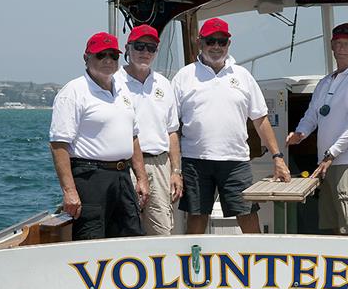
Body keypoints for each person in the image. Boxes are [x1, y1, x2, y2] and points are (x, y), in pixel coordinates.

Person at [172, 17, 290, 234]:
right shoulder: (183, 77)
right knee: (196, 219)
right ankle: (193, 266)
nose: (216, 46)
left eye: (222, 41)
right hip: (195, 162)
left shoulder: (243, 76)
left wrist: (278, 158)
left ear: (228, 44)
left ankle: (257, 263)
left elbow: (261, 119)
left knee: (248, 216)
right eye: (210, 41)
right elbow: (171, 127)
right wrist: (175, 169)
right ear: (200, 42)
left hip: (236, 161)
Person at [49, 32, 149, 240]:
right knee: (91, 241)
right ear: (86, 58)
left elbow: (133, 137)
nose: (108, 60)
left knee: (131, 239)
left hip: (122, 177)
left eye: (113, 55)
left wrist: (141, 178)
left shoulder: (122, 90)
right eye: (101, 55)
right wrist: (69, 191)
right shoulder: (74, 92)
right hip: (90, 178)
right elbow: (59, 144)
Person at [286, 23, 348, 236]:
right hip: (325, 164)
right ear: (332, 46)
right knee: (334, 229)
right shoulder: (325, 81)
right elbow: (312, 115)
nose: (342, 48)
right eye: (338, 44)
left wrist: (330, 155)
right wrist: (300, 133)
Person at [115, 24, 182, 235]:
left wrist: (176, 171)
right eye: (140, 46)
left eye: (151, 48)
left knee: (162, 230)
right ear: (128, 48)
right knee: (126, 226)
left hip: (160, 163)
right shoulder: (114, 82)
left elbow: (172, 132)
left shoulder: (164, 84)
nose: (145, 52)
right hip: (125, 165)